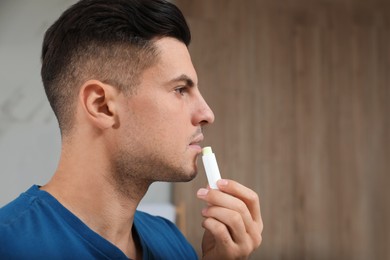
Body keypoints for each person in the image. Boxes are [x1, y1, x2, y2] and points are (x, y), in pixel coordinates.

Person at [0, 0, 263, 259]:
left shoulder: (172, 242)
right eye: (180, 89)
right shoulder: (8, 245)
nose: (207, 114)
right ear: (101, 105)